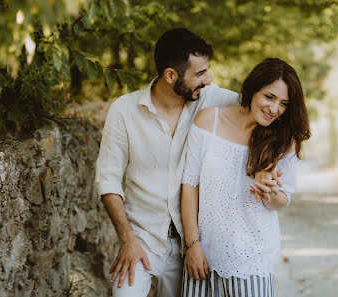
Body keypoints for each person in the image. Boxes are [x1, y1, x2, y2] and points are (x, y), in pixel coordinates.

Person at [95, 28, 241, 297]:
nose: (208, 80)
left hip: (193, 246)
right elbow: (108, 180)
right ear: (170, 75)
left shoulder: (211, 99)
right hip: (141, 239)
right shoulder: (124, 110)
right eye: (199, 73)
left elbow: (259, 108)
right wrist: (127, 240)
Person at [181, 57, 311, 297]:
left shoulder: (283, 141)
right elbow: (189, 185)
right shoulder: (208, 121)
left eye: (284, 103)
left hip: (253, 258)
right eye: (269, 97)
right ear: (253, 89)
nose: (274, 109)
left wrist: (269, 193)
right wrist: (192, 245)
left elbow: (282, 200)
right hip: (203, 255)